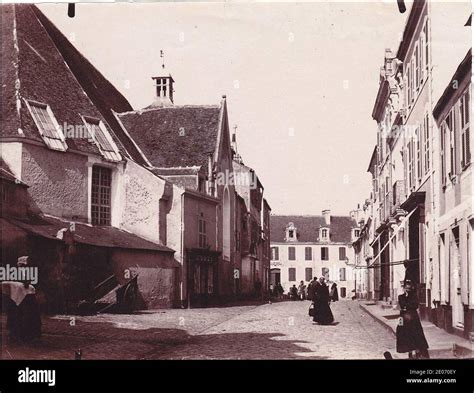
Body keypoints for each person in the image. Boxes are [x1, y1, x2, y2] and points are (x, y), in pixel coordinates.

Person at [1, 256, 42, 343]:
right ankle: (16, 335)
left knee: (27, 315)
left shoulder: (28, 273)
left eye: (24, 265)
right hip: (16, 297)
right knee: (17, 316)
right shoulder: (14, 272)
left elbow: (31, 283)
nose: (23, 267)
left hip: (27, 297)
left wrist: (27, 283)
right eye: (22, 265)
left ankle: (26, 335)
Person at [396, 279, 429, 359]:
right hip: (402, 317)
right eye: (406, 288)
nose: (407, 290)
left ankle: (417, 351)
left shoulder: (414, 296)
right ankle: (409, 351)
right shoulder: (400, 297)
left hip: (413, 318)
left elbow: (415, 305)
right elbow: (402, 304)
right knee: (402, 333)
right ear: (403, 288)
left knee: (415, 334)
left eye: (409, 289)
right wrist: (408, 305)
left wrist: (407, 306)